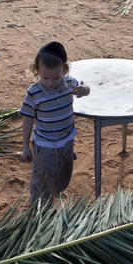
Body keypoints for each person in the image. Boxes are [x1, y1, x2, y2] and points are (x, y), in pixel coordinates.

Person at [19, 41, 91, 206]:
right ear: (37, 71)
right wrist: (24, 146)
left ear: (64, 71)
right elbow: (28, 119)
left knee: (63, 174)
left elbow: (86, 88)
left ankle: (54, 194)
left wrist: (84, 90)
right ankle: (39, 207)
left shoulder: (69, 83)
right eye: (45, 78)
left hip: (66, 141)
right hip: (44, 145)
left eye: (56, 78)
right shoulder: (34, 92)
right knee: (42, 178)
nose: (51, 83)